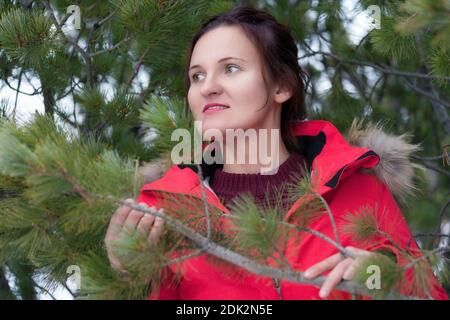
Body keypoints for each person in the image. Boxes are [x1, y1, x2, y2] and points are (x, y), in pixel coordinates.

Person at [104, 5, 448, 300]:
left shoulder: (358, 190)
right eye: (197, 76)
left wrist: (385, 280)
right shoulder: (160, 211)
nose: (207, 87)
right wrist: (131, 278)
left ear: (281, 86)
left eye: (231, 68)